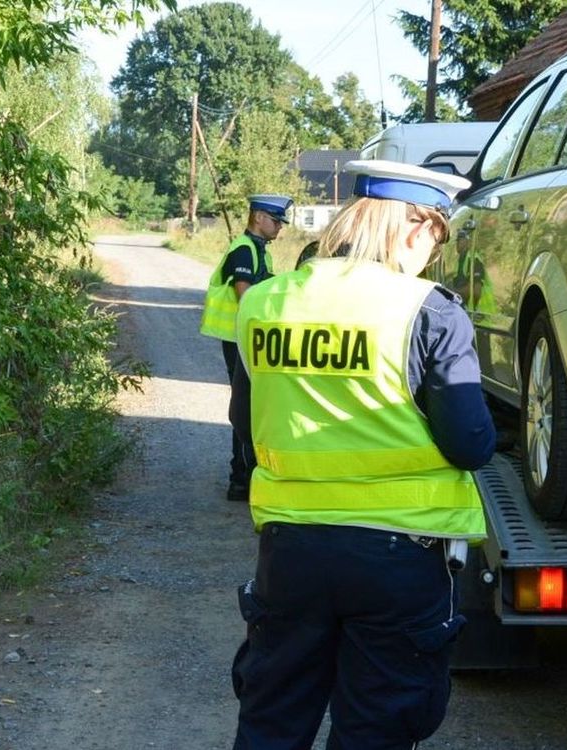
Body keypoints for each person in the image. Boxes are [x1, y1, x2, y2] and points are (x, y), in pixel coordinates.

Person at [229, 160, 496, 749]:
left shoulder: (265, 304)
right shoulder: (430, 310)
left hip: (290, 550)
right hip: (399, 556)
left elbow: (251, 425)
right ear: (412, 226)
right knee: (377, 727)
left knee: (272, 719)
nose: (434, 253)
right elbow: (468, 444)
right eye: (438, 237)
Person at [200, 194, 293, 503]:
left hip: (246, 337)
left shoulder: (258, 251)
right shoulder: (244, 250)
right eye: (275, 220)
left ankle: (245, 476)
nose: (279, 227)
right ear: (257, 218)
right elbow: (246, 296)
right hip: (238, 337)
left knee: (251, 406)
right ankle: (240, 478)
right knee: (245, 408)